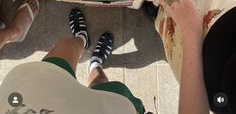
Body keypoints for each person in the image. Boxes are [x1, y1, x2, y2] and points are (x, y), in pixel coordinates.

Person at [0, 8, 145, 114]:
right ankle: (95, 63)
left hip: (33, 96)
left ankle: (83, 39)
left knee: (67, 45)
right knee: (102, 88)